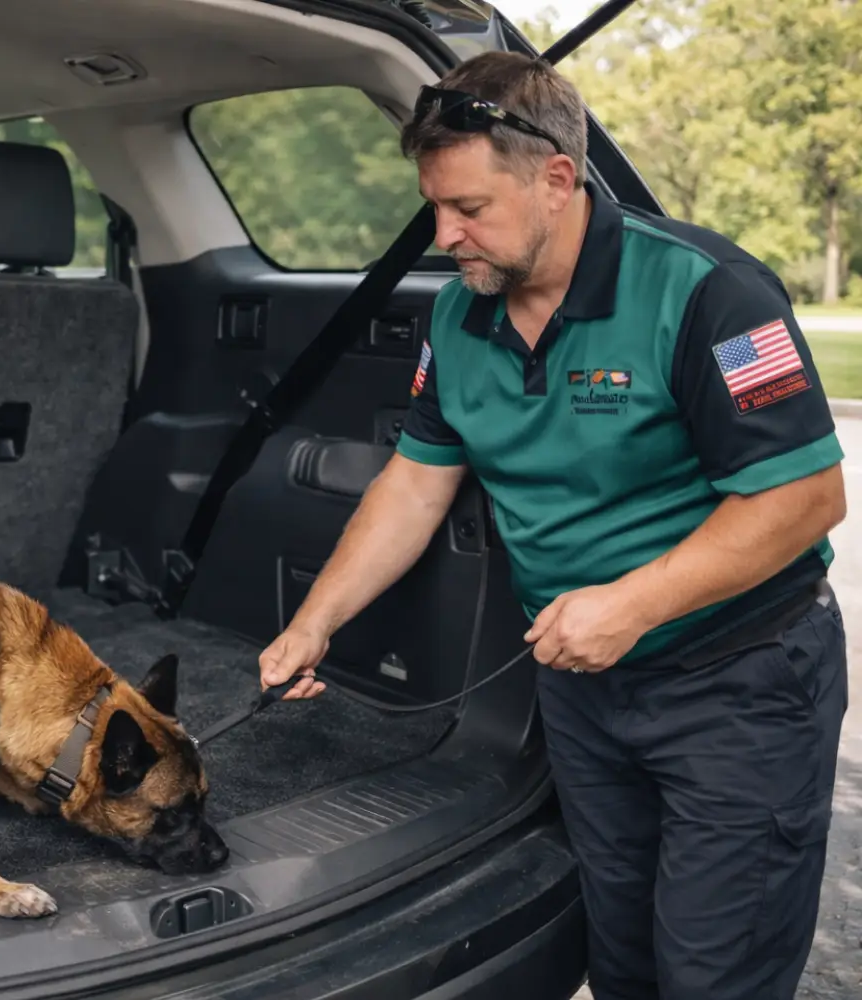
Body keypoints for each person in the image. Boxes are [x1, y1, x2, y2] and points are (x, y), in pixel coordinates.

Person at [257, 51, 848, 1000]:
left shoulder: (708, 291)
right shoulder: (459, 318)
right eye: (434, 208)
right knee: (618, 959)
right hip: (583, 693)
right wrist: (315, 621)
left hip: (740, 684)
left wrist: (633, 604)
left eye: (469, 209)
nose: (445, 235)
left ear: (557, 179)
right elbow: (414, 486)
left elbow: (806, 498)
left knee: (715, 974)